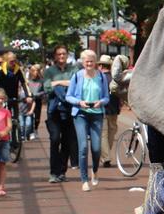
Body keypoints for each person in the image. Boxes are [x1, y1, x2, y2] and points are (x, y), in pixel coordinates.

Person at [66, 49, 110, 192]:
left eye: (91, 61)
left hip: (97, 115)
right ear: (83, 62)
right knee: (83, 147)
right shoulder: (77, 76)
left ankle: (95, 170)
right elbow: (69, 96)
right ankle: (84, 180)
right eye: (87, 61)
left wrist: (100, 102)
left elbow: (106, 97)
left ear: (95, 62)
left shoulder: (101, 77)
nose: (89, 64)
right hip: (80, 114)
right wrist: (79, 102)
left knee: (96, 148)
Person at [44, 45, 78, 183]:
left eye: (64, 53)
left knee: (66, 142)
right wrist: (65, 84)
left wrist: (57, 83)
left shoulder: (74, 69)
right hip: (54, 111)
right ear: (55, 56)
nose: (61, 56)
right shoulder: (49, 71)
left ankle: (62, 172)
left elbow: (76, 84)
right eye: (59, 54)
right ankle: (54, 172)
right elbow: (47, 87)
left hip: (69, 110)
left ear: (67, 55)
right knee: (55, 139)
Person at [99, 54, 121, 166]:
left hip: (102, 108)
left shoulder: (99, 78)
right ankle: (106, 155)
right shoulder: (115, 78)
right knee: (111, 132)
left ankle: (106, 157)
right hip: (114, 108)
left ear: (101, 66)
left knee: (103, 134)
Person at [25, 64, 46, 140]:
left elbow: (45, 91)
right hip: (29, 101)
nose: (35, 72)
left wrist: (38, 94)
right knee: (29, 117)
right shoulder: (28, 81)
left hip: (37, 101)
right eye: (34, 71)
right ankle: (29, 132)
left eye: (37, 71)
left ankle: (35, 129)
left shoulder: (41, 81)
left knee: (37, 118)